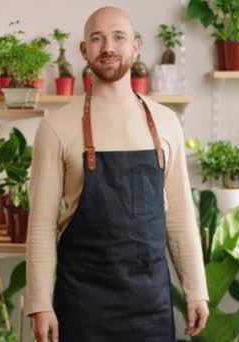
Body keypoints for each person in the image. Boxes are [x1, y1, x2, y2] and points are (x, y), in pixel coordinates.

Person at [25, 6, 209, 342]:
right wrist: (39, 303)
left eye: (118, 37)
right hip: (82, 303)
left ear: (136, 47)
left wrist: (196, 289)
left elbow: (180, 214)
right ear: (84, 50)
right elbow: (41, 223)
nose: (108, 47)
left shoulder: (166, 123)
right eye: (97, 38)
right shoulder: (56, 127)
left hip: (149, 304)